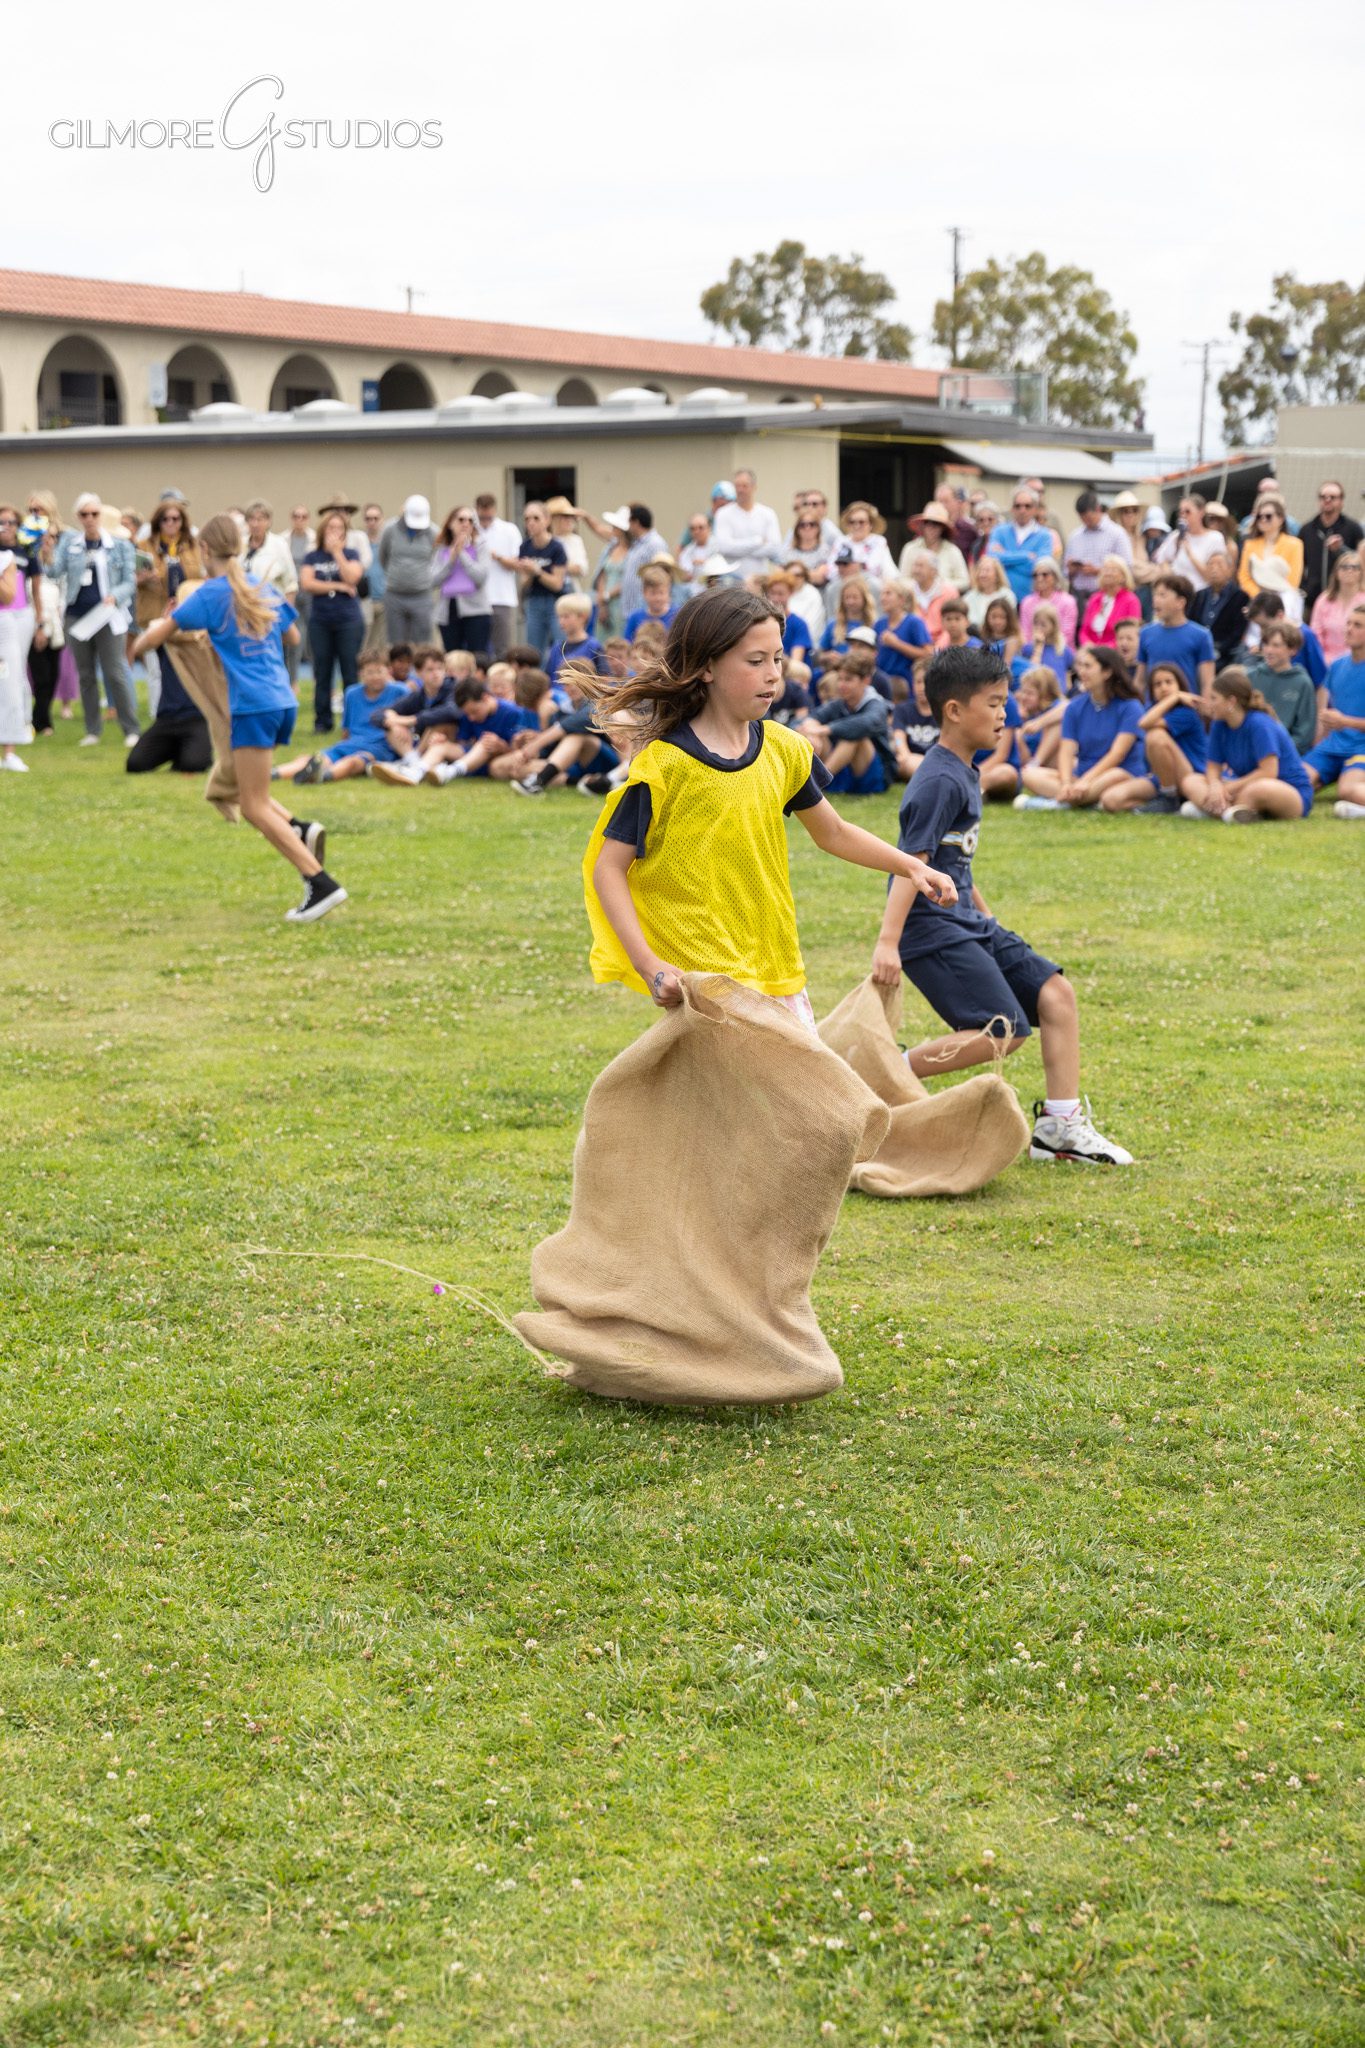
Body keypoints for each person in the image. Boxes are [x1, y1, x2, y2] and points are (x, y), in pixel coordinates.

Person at [584, 585, 954, 1031]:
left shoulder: (785, 749)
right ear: (706, 667)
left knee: (801, 1076)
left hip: (774, 959)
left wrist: (911, 867)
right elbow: (609, 868)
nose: (773, 674)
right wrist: (649, 965)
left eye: (777, 659)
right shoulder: (665, 765)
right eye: (756, 661)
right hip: (702, 975)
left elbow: (833, 832)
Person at [872, 644, 1130, 1163]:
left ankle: (1059, 1128)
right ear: (954, 710)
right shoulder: (938, 779)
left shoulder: (965, 770)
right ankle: (884, 1074)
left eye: (1004, 701)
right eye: (993, 703)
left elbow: (954, 862)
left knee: (1056, 994)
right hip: (930, 930)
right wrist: (888, 942)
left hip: (966, 921)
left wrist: (986, 916)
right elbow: (911, 864)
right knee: (1003, 1029)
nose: (1004, 713)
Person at [131, 513, 343, 921]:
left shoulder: (209, 595)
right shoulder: (261, 587)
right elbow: (293, 636)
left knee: (252, 806)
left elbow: (157, 636)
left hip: (252, 705)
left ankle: (321, 884)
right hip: (281, 701)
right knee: (252, 793)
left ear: (204, 549)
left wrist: (138, 643)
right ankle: (300, 829)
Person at [46, 493, 141, 747]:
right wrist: (46, 551)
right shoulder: (71, 544)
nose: (89, 519)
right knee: (86, 674)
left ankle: (131, 728)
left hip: (107, 616)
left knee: (115, 671)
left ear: (101, 516)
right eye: (84, 514)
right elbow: (53, 572)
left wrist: (115, 596)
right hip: (77, 615)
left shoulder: (119, 545)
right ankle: (92, 730)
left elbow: (129, 581)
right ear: (78, 517)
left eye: (94, 514)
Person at [1179, 666, 1313, 824]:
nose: (1210, 704)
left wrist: (1227, 788)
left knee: (1259, 788)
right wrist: (1215, 786)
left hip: (1288, 792)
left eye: (1214, 698)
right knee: (1190, 781)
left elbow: (1269, 772)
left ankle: (1213, 810)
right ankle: (1232, 812)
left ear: (1231, 701)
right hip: (1244, 785)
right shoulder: (1219, 725)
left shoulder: (1259, 724)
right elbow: (1213, 767)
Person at [1016, 645, 1144, 809]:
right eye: (1081, 666)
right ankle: (1080, 799)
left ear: (1107, 672)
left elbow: (1117, 755)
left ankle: (1059, 803)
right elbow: (1066, 752)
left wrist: (1086, 781)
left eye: (1088, 666)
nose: (1081, 672)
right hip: (1081, 776)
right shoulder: (1075, 707)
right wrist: (1066, 783)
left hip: (1119, 773)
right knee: (1028, 774)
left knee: (1114, 776)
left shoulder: (1130, 707)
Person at [273, 651, 409, 783]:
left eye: (379, 671)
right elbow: (346, 729)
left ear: (388, 671)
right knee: (317, 759)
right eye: (370, 672)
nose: (375, 677)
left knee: (352, 762)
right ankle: (273, 773)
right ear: (360, 673)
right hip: (352, 743)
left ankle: (323, 776)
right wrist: (343, 744)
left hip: (380, 747)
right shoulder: (352, 693)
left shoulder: (400, 692)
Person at [1099, 662, 1208, 814]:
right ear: (1151, 691)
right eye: (1157, 684)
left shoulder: (1186, 712)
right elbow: (1145, 721)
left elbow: (1144, 723)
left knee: (1155, 736)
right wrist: (1173, 697)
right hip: (1161, 778)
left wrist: (1175, 697)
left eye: (1169, 682)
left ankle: (1170, 798)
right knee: (1110, 800)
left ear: (1180, 685)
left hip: (1190, 777)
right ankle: (1159, 804)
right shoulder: (1154, 712)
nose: (1164, 687)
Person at [300, 509, 364, 733]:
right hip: (321, 621)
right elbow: (307, 583)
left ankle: (352, 721)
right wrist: (338, 586)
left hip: (348, 621)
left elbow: (352, 577)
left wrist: (337, 553)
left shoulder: (352, 554)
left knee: (350, 671)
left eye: (339, 528)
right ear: (322, 530)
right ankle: (322, 721)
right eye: (331, 527)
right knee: (322, 671)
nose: (335, 532)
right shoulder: (312, 557)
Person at [1301, 603, 1365, 817]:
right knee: (1296, 782)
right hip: (1333, 746)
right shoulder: (1337, 666)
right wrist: (1318, 741)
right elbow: (1326, 716)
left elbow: (1341, 718)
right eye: (1349, 623)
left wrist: (1345, 722)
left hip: (1361, 747)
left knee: (1348, 790)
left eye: (1358, 625)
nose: (1349, 629)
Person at [799, 656, 896, 794]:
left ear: (866, 680)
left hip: (875, 776)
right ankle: (820, 782)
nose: (841, 685)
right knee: (814, 731)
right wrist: (812, 731)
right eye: (840, 679)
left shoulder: (877, 704)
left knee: (854, 736)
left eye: (848, 680)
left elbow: (866, 723)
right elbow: (810, 718)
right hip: (843, 770)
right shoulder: (839, 703)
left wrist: (825, 729)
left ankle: (816, 784)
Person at [1137, 575, 1216, 700]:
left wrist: (1204, 707)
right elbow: (1140, 680)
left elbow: (1207, 683)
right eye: (1155, 595)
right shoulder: (1145, 633)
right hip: (1153, 708)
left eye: (1162, 595)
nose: (1156, 600)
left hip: (1185, 707)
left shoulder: (1201, 635)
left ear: (1181, 602)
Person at [1245, 623, 1317, 753]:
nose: (1269, 650)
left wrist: (1282, 750)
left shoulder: (1303, 683)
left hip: (1284, 752)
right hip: (1250, 748)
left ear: (1292, 650)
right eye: (1266, 644)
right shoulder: (1251, 676)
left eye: (1276, 645)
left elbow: (1304, 733)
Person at [377, 494, 436, 645]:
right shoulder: (389, 529)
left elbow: (437, 559)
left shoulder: (433, 532)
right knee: (396, 643)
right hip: (394, 595)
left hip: (422, 595)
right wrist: (397, 575)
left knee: (423, 643)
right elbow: (383, 557)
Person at [431, 506, 491, 654]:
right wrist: (450, 560)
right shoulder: (441, 550)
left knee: (477, 656)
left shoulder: (481, 547)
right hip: (448, 610)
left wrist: (461, 553)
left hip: (476, 610)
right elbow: (433, 581)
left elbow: (480, 577)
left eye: (470, 521)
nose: (466, 524)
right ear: (450, 524)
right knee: (452, 657)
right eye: (461, 520)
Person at [1299, 481, 1365, 614]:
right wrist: (1304, 588)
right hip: (1311, 601)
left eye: (1332, 497)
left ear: (1341, 502)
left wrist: (1341, 549)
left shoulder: (1353, 528)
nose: (1327, 500)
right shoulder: (1307, 529)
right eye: (1323, 497)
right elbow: (1299, 563)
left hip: (1344, 600)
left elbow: (1361, 561)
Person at [987, 487, 1056, 602]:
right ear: (1012, 509)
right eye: (1017, 506)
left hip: (1031, 600)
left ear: (1035, 509)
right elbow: (992, 559)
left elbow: (1040, 568)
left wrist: (1005, 559)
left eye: (1027, 506)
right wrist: (1026, 556)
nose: (1022, 510)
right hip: (1001, 600)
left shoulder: (1045, 535)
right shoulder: (999, 531)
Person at [474, 494, 523, 657]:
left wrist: (497, 557)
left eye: (488, 516)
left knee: (502, 648)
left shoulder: (509, 530)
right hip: (475, 599)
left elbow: (519, 563)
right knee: (478, 650)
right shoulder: (471, 530)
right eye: (482, 516)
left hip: (501, 598)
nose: (485, 520)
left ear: (495, 510)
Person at [711, 469, 783, 579]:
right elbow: (723, 547)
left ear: (754, 487)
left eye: (745, 486)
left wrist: (738, 549)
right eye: (737, 486)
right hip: (731, 579)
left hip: (759, 579)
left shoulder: (767, 514)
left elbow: (774, 547)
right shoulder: (723, 514)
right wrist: (757, 541)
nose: (740, 490)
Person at [1062, 490, 1132, 600]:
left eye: (1089, 518)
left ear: (1098, 509)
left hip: (1106, 595)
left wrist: (1098, 571)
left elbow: (1127, 568)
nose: (1086, 522)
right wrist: (1072, 569)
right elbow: (1065, 572)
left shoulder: (1117, 534)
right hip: (1078, 595)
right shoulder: (1074, 536)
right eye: (1083, 519)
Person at [1188, 548, 1249, 666]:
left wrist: (1218, 649)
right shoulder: (1199, 595)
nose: (1214, 569)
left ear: (1230, 570)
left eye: (1219, 565)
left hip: (1225, 655)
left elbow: (1237, 633)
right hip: (1196, 650)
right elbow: (1191, 622)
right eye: (1210, 565)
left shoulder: (1240, 597)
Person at [1154, 494, 1224, 594]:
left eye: (1188, 512)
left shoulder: (1215, 538)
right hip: (1178, 595)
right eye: (1181, 512)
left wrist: (1190, 554)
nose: (1183, 516)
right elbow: (1161, 559)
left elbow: (1210, 577)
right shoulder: (1176, 536)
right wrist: (1171, 580)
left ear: (1201, 512)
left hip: (1201, 594)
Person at [1238, 495, 1303, 600]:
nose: (1263, 519)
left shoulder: (1295, 544)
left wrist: (1275, 599)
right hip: (1256, 601)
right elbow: (1244, 577)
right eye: (1259, 516)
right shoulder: (1249, 544)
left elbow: (1294, 579)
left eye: (1268, 516)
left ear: (1281, 519)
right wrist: (1260, 597)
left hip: (1284, 601)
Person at [873, 578, 932, 690]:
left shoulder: (914, 622)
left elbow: (928, 653)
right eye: (882, 594)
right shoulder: (879, 624)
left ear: (901, 599)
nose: (883, 598)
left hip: (906, 686)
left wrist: (897, 644)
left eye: (888, 593)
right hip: (883, 686)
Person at [1308, 551, 1364, 664]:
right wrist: (1322, 659)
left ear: (1361, 573)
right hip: (1325, 660)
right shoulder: (1323, 600)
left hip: (1359, 660)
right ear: (1336, 572)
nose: (1349, 570)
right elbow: (1315, 634)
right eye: (1344, 567)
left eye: (1355, 567)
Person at [546, 593, 609, 691]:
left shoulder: (593, 646)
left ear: (582, 617)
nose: (561, 621)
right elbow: (549, 678)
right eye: (559, 617)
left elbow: (604, 679)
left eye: (566, 616)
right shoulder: (556, 647)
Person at [898, 503, 968, 589]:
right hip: (915, 596)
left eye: (936, 524)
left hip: (944, 596)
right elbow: (902, 579)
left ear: (943, 528)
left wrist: (940, 585)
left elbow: (964, 582)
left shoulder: (952, 551)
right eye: (928, 523)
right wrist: (920, 587)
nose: (931, 527)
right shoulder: (910, 548)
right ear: (923, 525)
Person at [890, 665, 940, 781]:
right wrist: (904, 754)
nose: (922, 687)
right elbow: (898, 737)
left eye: (926, 682)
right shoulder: (902, 709)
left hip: (935, 761)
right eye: (918, 682)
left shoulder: (942, 712)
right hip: (907, 759)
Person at [1078, 554, 1141, 647]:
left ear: (1123, 577)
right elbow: (1084, 631)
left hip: (1117, 651)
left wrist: (1105, 649)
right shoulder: (1094, 598)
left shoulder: (1131, 601)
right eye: (1105, 569)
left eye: (1113, 570)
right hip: (1090, 650)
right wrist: (1088, 644)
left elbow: (1132, 633)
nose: (1108, 573)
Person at [619, 504, 669, 620]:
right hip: (631, 609)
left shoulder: (655, 543)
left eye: (629, 522)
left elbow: (662, 575)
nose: (628, 527)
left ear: (636, 522)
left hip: (647, 610)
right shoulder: (637, 543)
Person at [818, 576, 879, 669]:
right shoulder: (833, 624)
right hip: (836, 670)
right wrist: (828, 656)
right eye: (847, 597)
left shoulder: (875, 625)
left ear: (864, 598)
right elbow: (820, 654)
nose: (851, 601)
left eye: (855, 597)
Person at [1014, 602, 1071, 694]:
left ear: (1053, 626)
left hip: (1058, 694)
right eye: (1036, 623)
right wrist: (1038, 646)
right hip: (1037, 694)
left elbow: (1069, 675)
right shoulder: (1028, 649)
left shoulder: (1063, 650)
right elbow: (1031, 670)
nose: (1038, 628)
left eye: (1043, 625)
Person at [1019, 558, 1077, 649]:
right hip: (1032, 649)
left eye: (1045, 574)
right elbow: (1025, 633)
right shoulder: (1027, 602)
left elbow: (1067, 634)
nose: (1039, 578)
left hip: (1060, 650)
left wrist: (1047, 650)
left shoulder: (1068, 601)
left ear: (1055, 577)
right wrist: (1033, 648)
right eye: (1035, 575)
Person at [837, 502, 896, 589]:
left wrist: (856, 568)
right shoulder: (841, 541)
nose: (856, 526)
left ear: (870, 524)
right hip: (843, 584)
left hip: (870, 586)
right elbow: (831, 569)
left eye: (861, 522)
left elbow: (882, 569)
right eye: (852, 522)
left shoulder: (878, 541)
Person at [906, 551, 957, 643]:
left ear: (933, 571)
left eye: (921, 566)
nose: (916, 570)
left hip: (943, 645)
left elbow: (952, 626)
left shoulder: (949, 592)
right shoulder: (907, 592)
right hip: (914, 645)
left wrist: (937, 649)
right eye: (915, 565)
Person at [624, 563, 680, 643]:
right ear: (644, 593)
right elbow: (627, 644)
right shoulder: (635, 618)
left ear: (668, 592)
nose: (658, 598)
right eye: (653, 593)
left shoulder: (677, 616)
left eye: (661, 593)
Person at [546, 497, 590, 593]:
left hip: (570, 591)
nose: (570, 520)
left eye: (571, 517)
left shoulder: (575, 540)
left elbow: (580, 569)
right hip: (545, 592)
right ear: (553, 519)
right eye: (565, 517)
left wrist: (552, 565)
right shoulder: (545, 540)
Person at [964, 553, 1014, 632]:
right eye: (980, 571)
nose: (982, 575)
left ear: (997, 575)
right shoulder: (969, 597)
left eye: (987, 571)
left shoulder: (1007, 595)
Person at [980, 595, 1022, 669]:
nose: (997, 622)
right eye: (994, 617)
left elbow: (1006, 666)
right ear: (987, 617)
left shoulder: (1012, 640)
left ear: (1009, 619)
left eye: (1002, 617)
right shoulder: (982, 638)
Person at [676, 513, 713, 593]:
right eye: (693, 529)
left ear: (709, 528)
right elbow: (684, 576)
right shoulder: (686, 552)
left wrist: (705, 563)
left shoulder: (718, 547)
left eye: (701, 528)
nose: (697, 531)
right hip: (693, 594)